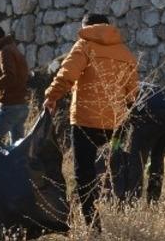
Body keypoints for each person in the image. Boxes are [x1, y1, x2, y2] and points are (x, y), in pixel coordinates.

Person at [44, 13, 139, 229]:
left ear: (86, 26)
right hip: (114, 121)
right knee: (105, 169)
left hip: (85, 120)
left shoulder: (85, 44)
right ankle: (98, 210)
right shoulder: (125, 52)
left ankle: (91, 224)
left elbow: (67, 75)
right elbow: (132, 93)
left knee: (84, 172)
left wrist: (51, 96)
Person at [127, 84, 165, 204]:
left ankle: (132, 201)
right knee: (157, 158)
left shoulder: (127, 90)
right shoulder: (145, 86)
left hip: (152, 115)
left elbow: (123, 121)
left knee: (138, 160)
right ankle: (153, 199)